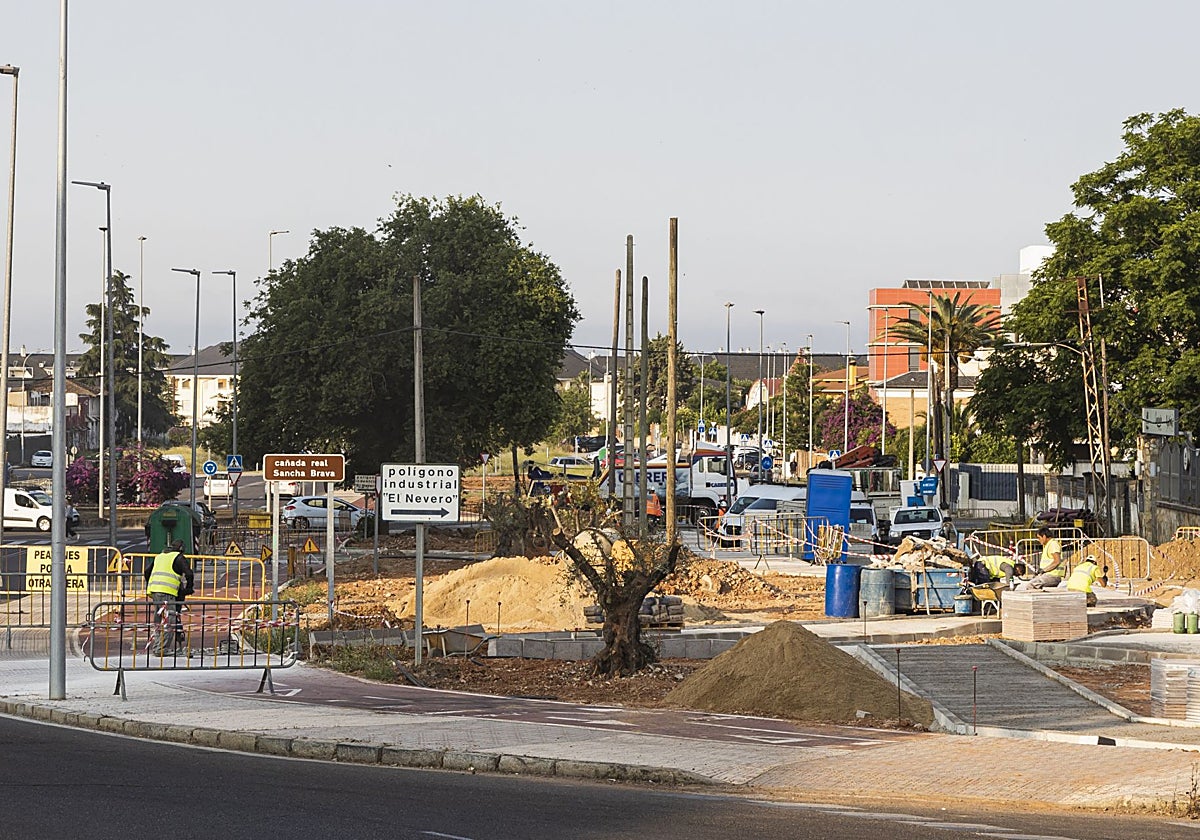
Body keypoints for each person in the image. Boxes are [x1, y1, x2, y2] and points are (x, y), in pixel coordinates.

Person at [144, 539, 195, 654]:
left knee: (159, 619)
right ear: (181, 549)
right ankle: (161, 648)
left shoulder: (160, 556)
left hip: (155, 591)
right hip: (167, 592)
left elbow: (147, 571)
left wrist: (152, 584)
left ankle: (157, 646)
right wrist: (189, 589)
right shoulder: (179, 557)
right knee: (169, 620)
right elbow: (189, 574)